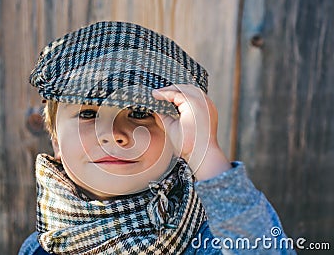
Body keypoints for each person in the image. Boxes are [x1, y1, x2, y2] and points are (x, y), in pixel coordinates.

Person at [19, 21, 296, 254]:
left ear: (176, 141)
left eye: (140, 113)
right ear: (55, 140)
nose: (114, 135)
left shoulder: (209, 237)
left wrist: (204, 154)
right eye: (89, 113)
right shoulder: (39, 247)